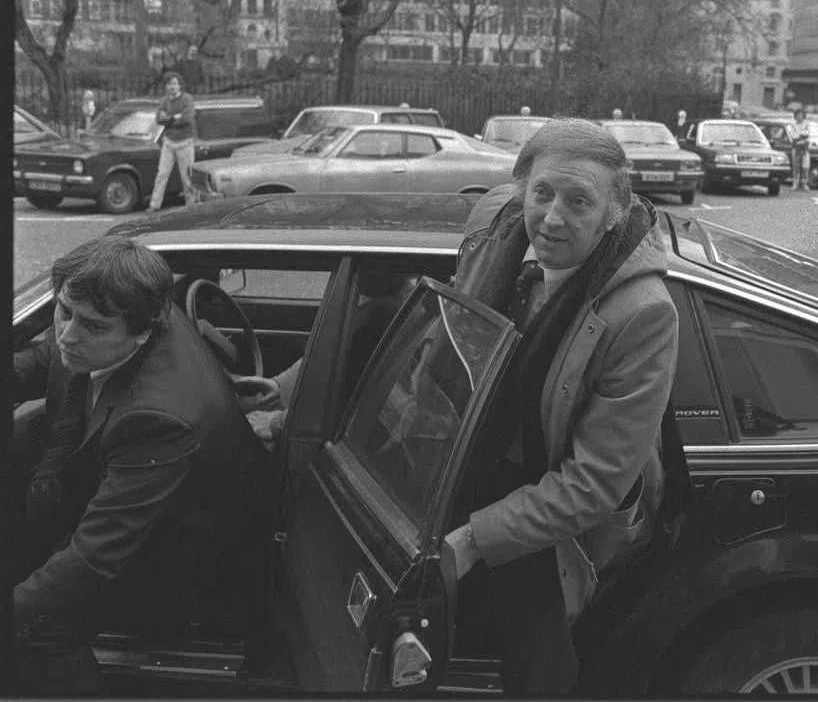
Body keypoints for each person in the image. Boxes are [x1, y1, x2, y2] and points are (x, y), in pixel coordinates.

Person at [444, 117, 679, 692]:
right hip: (466, 474)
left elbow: (593, 482)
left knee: (540, 674)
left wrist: (474, 539)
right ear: (521, 190)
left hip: (556, 518)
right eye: (542, 193)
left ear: (612, 215)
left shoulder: (644, 314)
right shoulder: (490, 244)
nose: (552, 217)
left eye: (579, 201)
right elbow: (436, 352)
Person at [10, 236, 265, 694]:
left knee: (38, 628)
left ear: (143, 330)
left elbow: (92, 558)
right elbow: (48, 357)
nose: (69, 333)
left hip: (179, 561)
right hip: (130, 506)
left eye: (92, 326)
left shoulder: (159, 417)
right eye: (64, 312)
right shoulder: (111, 311)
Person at [235, 271, 419, 445]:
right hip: (285, 400)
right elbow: (324, 366)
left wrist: (277, 423)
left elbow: (338, 405)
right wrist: (279, 386)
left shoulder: (377, 323)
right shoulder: (369, 304)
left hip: (290, 419)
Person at [148, 71, 197, 212]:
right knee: (162, 174)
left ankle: (191, 205)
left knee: (187, 176)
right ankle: (154, 205)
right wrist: (173, 118)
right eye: (169, 84)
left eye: (175, 84)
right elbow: (159, 119)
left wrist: (168, 119)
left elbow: (187, 119)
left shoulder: (187, 99)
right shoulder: (164, 101)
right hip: (168, 142)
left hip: (184, 142)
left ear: (180, 86)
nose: (172, 87)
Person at [787, 108, 812, 191]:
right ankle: (795, 183)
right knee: (796, 166)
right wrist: (799, 137)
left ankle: (804, 183)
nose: (799, 116)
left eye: (801, 114)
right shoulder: (792, 125)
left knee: (805, 166)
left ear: (804, 116)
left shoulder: (807, 124)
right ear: (795, 116)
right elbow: (792, 136)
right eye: (798, 114)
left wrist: (800, 137)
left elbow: (807, 134)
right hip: (796, 148)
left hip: (805, 148)